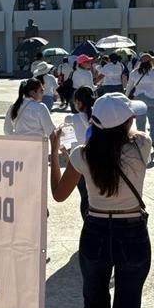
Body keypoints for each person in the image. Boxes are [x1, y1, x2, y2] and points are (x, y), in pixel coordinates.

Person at [48, 93, 151, 308]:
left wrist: (54, 152)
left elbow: (59, 194)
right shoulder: (142, 146)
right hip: (132, 230)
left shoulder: (81, 155)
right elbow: (128, 137)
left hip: (94, 230)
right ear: (126, 123)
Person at [64, 85, 98, 219]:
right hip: (97, 161)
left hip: (79, 162)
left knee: (84, 195)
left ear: (78, 102)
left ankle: (87, 222)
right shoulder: (99, 117)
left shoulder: (71, 119)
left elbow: (66, 143)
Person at [124, 53, 154, 155]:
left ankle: (141, 142)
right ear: (151, 61)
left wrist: (125, 98)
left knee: (140, 122)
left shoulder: (134, 72)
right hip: (153, 98)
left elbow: (129, 86)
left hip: (139, 98)